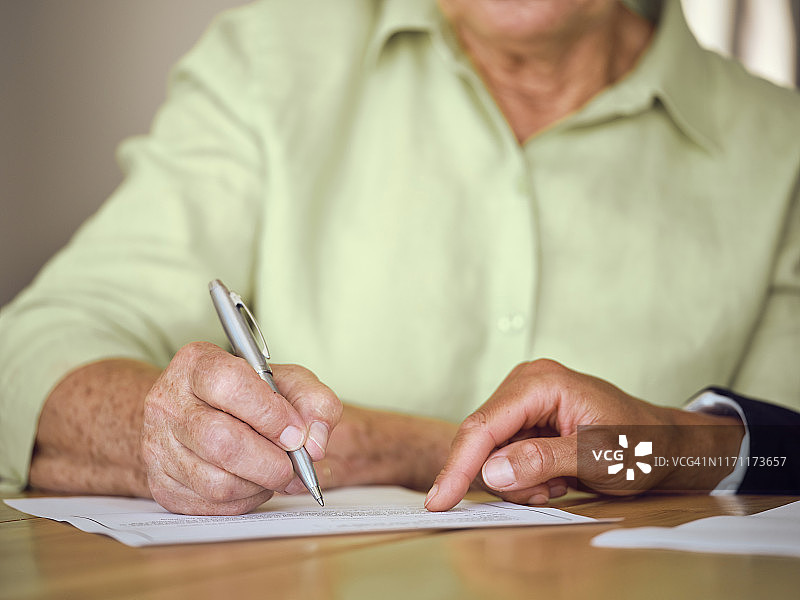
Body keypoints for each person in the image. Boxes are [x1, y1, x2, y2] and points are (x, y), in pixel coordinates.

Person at [0, 0, 798, 515]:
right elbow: (32, 356)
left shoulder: (783, 148)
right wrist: (161, 431)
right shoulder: (267, 60)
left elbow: (787, 450)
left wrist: (673, 443)